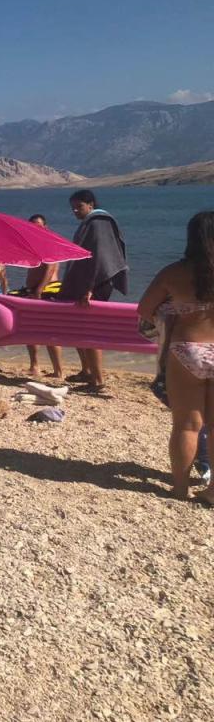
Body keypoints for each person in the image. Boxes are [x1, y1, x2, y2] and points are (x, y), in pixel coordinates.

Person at [138, 211, 214, 503]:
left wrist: (171, 312)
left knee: (186, 425)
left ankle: (180, 489)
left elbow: (144, 309)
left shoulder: (174, 272)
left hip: (186, 349)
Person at [59, 190, 128, 392]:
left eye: (79, 206)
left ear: (90, 204)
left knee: (89, 331)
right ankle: (87, 371)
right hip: (89, 283)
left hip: (95, 285)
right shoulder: (92, 222)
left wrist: (90, 287)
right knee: (79, 328)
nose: (75, 211)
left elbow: (100, 258)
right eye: (72, 208)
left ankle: (97, 380)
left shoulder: (98, 222)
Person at [24, 214, 64, 377]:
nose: (35, 228)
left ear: (45, 227)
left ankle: (58, 370)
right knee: (30, 330)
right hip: (34, 291)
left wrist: (39, 290)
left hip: (47, 291)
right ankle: (34, 366)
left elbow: (50, 268)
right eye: (32, 226)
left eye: (38, 225)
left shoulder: (48, 242)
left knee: (50, 332)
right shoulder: (34, 244)